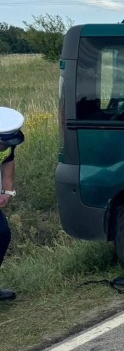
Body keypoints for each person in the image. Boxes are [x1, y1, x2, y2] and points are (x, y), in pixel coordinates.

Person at [0, 107, 24, 302]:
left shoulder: (6, 145)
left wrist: (7, 191)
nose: (5, 147)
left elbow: (8, 160)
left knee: (2, 234)